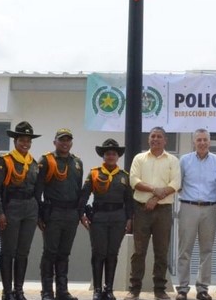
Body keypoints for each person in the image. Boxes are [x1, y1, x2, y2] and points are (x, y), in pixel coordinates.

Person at [126, 127, 182, 300]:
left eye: (159, 137)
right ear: (148, 139)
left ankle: (160, 289)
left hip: (163, 210)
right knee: (139, 251)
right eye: (153, 136)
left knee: (161, 251)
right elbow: (134, 181)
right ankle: (134, 289)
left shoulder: (172, 160)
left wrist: (155, 199)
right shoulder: (139, 158)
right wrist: (154, 190)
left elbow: (176, 184)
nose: (155, 139)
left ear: (165, 140)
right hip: (141, 209)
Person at [79, 138, 134, 300]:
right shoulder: (94, 173)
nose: (110, 156)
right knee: (98, 253)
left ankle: (108, 289)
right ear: (103, 156)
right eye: (108, 154)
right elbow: (84, 195)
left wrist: (130, 219)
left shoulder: (124, 176)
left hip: (118, 218)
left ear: (118, 157)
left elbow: (129, 200)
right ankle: (97, 290)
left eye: (114, 154)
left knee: (112, 253)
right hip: (99, 217)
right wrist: (81, 214)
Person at [0, 122, 42, 300]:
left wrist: (38, 213)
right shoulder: (5, 161)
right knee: (8, 250)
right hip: (11, 207)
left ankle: (19, 290)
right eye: (22, 140)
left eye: (28, 141)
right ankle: (7, 291)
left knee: (23, 251)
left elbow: (38, 191)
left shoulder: (34, 163)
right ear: (15, 141)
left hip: (30, 208)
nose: (25, 144)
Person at [36, 128, 85, 300]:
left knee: (64, 253)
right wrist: (39, 216)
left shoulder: (77, 162)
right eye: (61, 140)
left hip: (71, 213)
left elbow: (79, 191)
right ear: (54, 142)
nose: (65, 143)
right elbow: (38, 190)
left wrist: (80, 214)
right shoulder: (46, 160)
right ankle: (47, 291)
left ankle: (62, 291)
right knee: (50, 252)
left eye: (68, 140)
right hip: (53, 212)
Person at [176, 129, 216, 300]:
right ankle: (182, 288)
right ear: (194, 142)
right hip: (188, 207)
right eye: (199, 140)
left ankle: (202, 289)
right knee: (184, 250)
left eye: (205, 140)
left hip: (211, 208)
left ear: (209, 142)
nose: (202, 143)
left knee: (207, 250)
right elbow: (178, 184)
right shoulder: (185, 160)